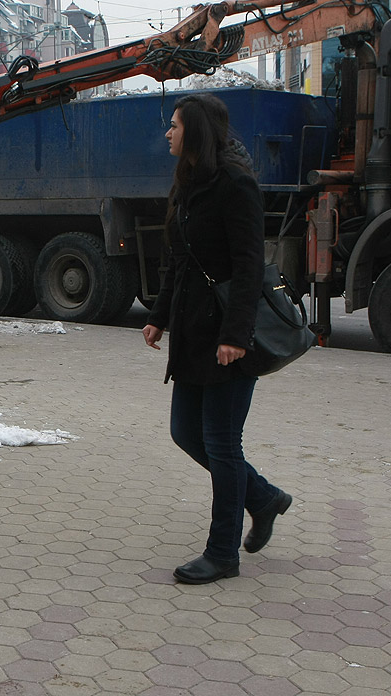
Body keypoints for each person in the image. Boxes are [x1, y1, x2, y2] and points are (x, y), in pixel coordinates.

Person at [142, 93, 292, 585]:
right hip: (193, 333)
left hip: (228, 337)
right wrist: (159, 316)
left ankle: (223, 552)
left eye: (175, 125)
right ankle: (264, 498)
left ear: (197, 131)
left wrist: (237, 336)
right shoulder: (189, 181)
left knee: (223, 445)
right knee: (186, 432)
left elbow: (250, 265)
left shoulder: (235, 183)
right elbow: (180, 259)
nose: (168, 132)